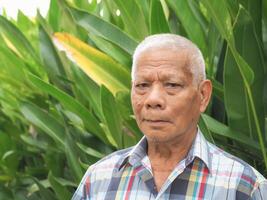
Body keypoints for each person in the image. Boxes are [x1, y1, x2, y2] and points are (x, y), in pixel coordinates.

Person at [72, 34, 266, 199]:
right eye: (142, 86)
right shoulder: (98, 179)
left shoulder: (243, 186)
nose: (153, 99)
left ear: (203, 95)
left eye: (172, 85)